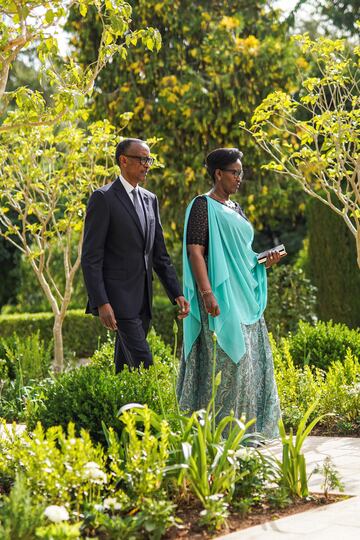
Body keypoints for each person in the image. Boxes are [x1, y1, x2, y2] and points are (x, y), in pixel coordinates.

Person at [177, 147, 281, 439]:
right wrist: (207, 292)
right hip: (220, 296)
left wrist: (265, 260)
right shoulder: (202, 206)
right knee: (229, 364)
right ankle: (218, 434)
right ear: (218, 173)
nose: (239, 178)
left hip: (244, 295)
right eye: (234, 172)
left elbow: (243, 257)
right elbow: (195, 251)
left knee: (250, 367)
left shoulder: (235, 208)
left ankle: (249, 432)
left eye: (241, 173)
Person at [81, 137, 189, 372]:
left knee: (125, 366)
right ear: (123, 160)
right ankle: (154, 408)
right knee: (144, 363)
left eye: (149, 159)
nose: (147, 164)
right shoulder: (103, 198)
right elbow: (91, 257)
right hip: (117, 299)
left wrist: (176, 293)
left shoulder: (151, 200)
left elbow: (159, 254)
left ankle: (122, 408)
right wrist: (101, 302)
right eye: (142, 159)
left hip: (143, 299)